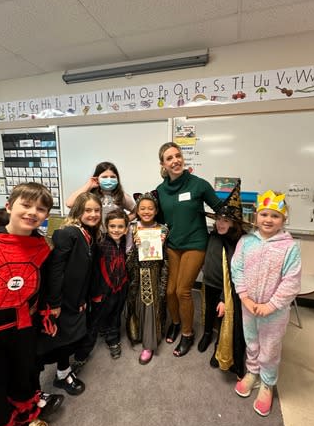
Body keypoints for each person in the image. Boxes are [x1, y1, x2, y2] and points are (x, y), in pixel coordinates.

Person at [0, 183, 53, 426]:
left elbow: (43, 287)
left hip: (24, 328)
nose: (33, 212)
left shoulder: (44, 247)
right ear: (9, 206)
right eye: (26, 204)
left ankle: (25, 419)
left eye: (41, 209)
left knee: (24, 376)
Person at [231, 190, 301, 417]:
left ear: (284, 219)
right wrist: (244, 296)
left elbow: (291, 281)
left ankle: (268, 382)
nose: (268, 220)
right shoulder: (245, 241)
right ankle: (252, 371)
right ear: (255, 216)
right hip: (248, 305)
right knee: (251, 340)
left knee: (270, 346)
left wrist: (271, 305)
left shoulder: (289, 247)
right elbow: (237, 269)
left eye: (275, 216)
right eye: (264, 215)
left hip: (275, 311)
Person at [156, 142, 222, 357]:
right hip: (174, 245)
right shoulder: (160, 191)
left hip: (195, 243)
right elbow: (158, 220)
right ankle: (176, 323)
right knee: (169, 291)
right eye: (169, 158)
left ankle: (187, 333)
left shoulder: (198, 185)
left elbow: (220, 210)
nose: (175, 160)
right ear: (163, 164)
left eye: (178, 155)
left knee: (183, 290)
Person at [36, 192, 102, 396]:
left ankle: (63, 373)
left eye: (97, 210)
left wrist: (82, 299)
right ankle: (37, 392)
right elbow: (56, 269)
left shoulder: (89, 235)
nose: (93, 214)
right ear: (78, 211)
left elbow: (84, 272)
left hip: (75, 300)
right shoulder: (68, 233)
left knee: (69, 339)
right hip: (60, 301)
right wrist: (55, 302)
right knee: (58, 341)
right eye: (88, 210)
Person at [198, 181, 246, 377]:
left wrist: (223, 298)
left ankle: (220, 348)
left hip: (227, 290)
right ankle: (208, 333)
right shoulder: (213, 236)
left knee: (226, 320)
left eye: (225, 220)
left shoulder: (238, 242)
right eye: (218, 219)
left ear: (234, 222)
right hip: (209, 282)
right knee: (209, 311)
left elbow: (236, 273)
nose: (220, 223)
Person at [74, 208, 130, 363]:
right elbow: (93, 271)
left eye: (120, 227)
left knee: (116, 316)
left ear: (126, 229)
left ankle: (113, 340)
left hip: (121, 287)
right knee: (95, 322)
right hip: (103, 290)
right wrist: (95, 292)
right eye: (112, 226)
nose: (116, 230)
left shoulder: (127, 242)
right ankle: (82, 355)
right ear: (106, 226)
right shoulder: (100, 243)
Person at [126, 191, 169, 365]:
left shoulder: (163, 229)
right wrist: (136, 247)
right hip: (137, 273)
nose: (146, 211)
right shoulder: (132, 228)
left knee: (152, 305)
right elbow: (127, 256)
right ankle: (138, 333)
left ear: (156, 210)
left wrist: (162, 242)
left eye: (150, 208)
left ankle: (149, 344)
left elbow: (165, 258)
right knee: (138, 305)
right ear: (137, 210)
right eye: (142, 208)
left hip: (155, 273)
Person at [65, 161, 136, 223]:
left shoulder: (121, 195)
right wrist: (89, 185)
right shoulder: (90, 195)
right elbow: (69, 204)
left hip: (114, 235)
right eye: (104, 177)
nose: (109, 180)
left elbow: (136, 211)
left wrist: (123, 221)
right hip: (92, 235)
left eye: (113, 177)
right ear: (97, 178)